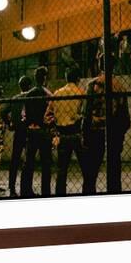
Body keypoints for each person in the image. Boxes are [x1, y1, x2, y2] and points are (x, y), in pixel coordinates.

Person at [83, 74, 131, 194]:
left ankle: (89, 195)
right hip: (114, 130)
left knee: (91, 168)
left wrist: (84, 132)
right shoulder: (120, 86)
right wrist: (121, 131)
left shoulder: (92, 84)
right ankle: (114, 194)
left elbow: (87, 111)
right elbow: (125, 115)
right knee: (114, 166)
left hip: (96, 130)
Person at [44, 66, 88, 195]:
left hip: (62, 133)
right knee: (85, 167)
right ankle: (88, 193)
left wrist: (56, 122)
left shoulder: (57, 93)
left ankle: (60, 195)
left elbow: (47, 117)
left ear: (66, 78)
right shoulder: (80, 93)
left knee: (61, 170)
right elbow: (85, 114)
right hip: (76, 132)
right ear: (78, 79)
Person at [21, 67, 53, 197]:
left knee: (28, 163)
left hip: (31, 130)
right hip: (43, 130)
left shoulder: (29, 93)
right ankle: (46, 192)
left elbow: (25, 114)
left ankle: (26, 190)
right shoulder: (48, 94)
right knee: (46, 163)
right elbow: (51, 114)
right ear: (44, 78)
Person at [1, 76, 33, 197]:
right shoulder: (31, 97)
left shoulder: (15, 98)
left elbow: (3, 111)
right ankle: (27, 187)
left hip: (18, 131)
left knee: (15, 159)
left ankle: (12, 187)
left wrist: (9, 123)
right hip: (29, 130)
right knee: (29, 159)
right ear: (29, 86)